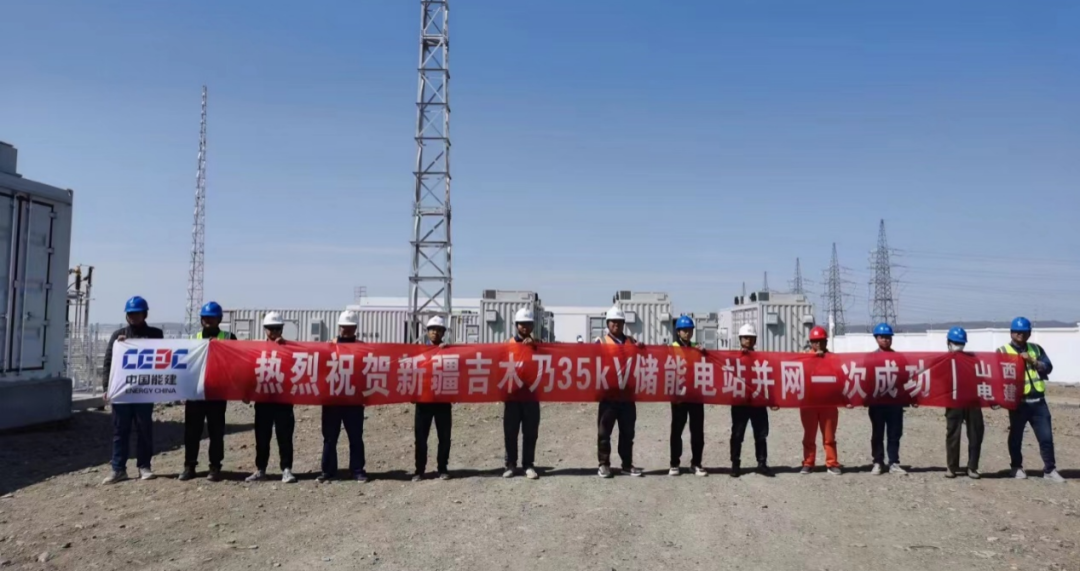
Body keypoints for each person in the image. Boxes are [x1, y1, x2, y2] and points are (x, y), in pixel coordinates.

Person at [101, 296, 165, 485]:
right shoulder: (118, 336)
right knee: (120, 431)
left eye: (137, 313)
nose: (133, 317)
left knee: (144, 429)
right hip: (122, 392)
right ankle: (118, 469)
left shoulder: (155, 334)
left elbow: (163, 357)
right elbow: (108, 362)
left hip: (144, 391)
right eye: (130, 314)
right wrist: (106, 388)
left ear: (145, 314)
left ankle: (144, 466)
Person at [998, 317, 1065, 483]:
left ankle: (1050, 470)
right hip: (1018, 403)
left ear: (1029, 333)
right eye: (1017, 332)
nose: (1020, 334)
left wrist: (1033, 361)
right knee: (1016, 437)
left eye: (1024, 332)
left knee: (1046, 438)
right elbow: (996, 376)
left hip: (1038, 402)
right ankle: (1016, 467)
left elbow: (1048, 367)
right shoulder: (1002, 351)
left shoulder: (1036, 349)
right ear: (1011, 333)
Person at [179, 301, 236, 482]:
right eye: (205, 317)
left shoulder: (229, 337)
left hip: (216, 393)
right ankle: (189, 466)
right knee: (191, 432)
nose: (208, 321)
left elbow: (236, 362)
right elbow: (185, 365)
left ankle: (215, 466)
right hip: (196, 393)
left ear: (219, 319)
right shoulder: (193, 338)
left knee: (216, 432)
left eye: (212, 318)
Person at [595, 305, 645, 478]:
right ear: (607, 323)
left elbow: (643, 361)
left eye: (619, 321)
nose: (616, 324)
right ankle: (604, 464)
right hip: (608, 396)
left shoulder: (631, 341)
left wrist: (642, 350)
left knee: (627, 433)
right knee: (604, 433)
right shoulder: (600, 342)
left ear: (624, 323)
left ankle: (626, 464)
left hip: (627, 396)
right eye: (613, 321)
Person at [246, 312, 297, 484]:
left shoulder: (290, 349)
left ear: (282, 329)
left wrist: (285, 347)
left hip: (283, 401)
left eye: (277, 328)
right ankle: (261, 469)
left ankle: (286, 469)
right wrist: (246, 392)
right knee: (262, 437)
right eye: (271, 328)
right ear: (265, 329)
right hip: (263, 400)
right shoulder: (257, 349)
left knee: (285, 437)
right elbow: (249, 371)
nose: (274, 332)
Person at [318, 311, 368, 483]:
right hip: (332, 400)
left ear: (355, 328)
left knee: (355, 437)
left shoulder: (362, 347)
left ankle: (357, 470)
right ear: (339, 327)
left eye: (350, 327)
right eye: (344, 327)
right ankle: (328, 471)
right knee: (329, 438)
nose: (346, 330)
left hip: (353, 400)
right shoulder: (330, 346)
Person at [730, 324, 776, 477]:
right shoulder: (733, 358)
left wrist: (772, 399)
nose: (748, 340)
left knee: (761, 434)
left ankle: (762, 463)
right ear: (740, 339)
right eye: (745, 337)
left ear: (755, 340)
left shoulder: (761, 359)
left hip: (758, 401)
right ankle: (735, 464)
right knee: (737, 434)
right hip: (740, 402)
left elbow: (769, 379)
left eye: (751, 338)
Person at [942, 327, 986, 479]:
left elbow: (983, 379)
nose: (958, 346)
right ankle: (952, 466)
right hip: (953, 401)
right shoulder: (943, 361)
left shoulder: (973, 360)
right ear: (949, 343)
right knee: (953, 434)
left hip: (972, 401)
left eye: (961, 343)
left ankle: (972, 467)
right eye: (955, 343)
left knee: (976, 433)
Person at [503, 307, 541, 480]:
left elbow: (549, 361)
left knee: (530, 432)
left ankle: (528, 465)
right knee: (510, 432)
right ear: (516, 325)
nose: (525, 327)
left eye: (528, 324)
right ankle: (511, 464)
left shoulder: (538, 344)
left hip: (531, 395)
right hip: (512, 396)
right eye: (522, 324)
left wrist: (535, 346)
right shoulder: (507, 343)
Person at [414, 315, 453, 481]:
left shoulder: (450, 351)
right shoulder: (419, 351)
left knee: (444, 437)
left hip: (442, 401)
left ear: (443, 333)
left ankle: (442, 468)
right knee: (421, 438)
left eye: (439, 330)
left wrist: (448, 351)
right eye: (432, 330)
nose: (435, 333)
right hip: (423, 401)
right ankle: (419, 470)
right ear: (427, 332)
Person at [800, 325, 841, 476]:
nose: (818, 344)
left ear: (826, 342)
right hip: (809, 403)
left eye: (821, 341)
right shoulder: (804, 359)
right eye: (815, 341)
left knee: (829, 436)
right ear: (811, 342)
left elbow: (841, 378)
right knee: (809, 435)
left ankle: (832, 463)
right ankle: (808, 462)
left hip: (828, 403)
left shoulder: (834, 359)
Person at [669, 315, 707, 477]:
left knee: (697, 431)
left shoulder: (696, 348)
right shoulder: (671, 348)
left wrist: (704, 353)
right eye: (684, 330)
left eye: (690, 330)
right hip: (679, 396)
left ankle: (696, 463)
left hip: (695, 395)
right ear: (678, 332)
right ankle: (674, 463)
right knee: (677, 431)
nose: (687, 333)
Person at [868, 322, 905, 475]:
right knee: (877, 433)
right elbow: (865, 381)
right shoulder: (870, 359)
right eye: (882, 337)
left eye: (888, 337)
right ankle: (878, 461)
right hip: (877, 403)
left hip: (894, 402)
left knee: (894, 434)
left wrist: (911, 398)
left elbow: (905, 379)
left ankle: (893, 462)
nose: (885, 340)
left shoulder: (899, 358)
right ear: (876, 338)